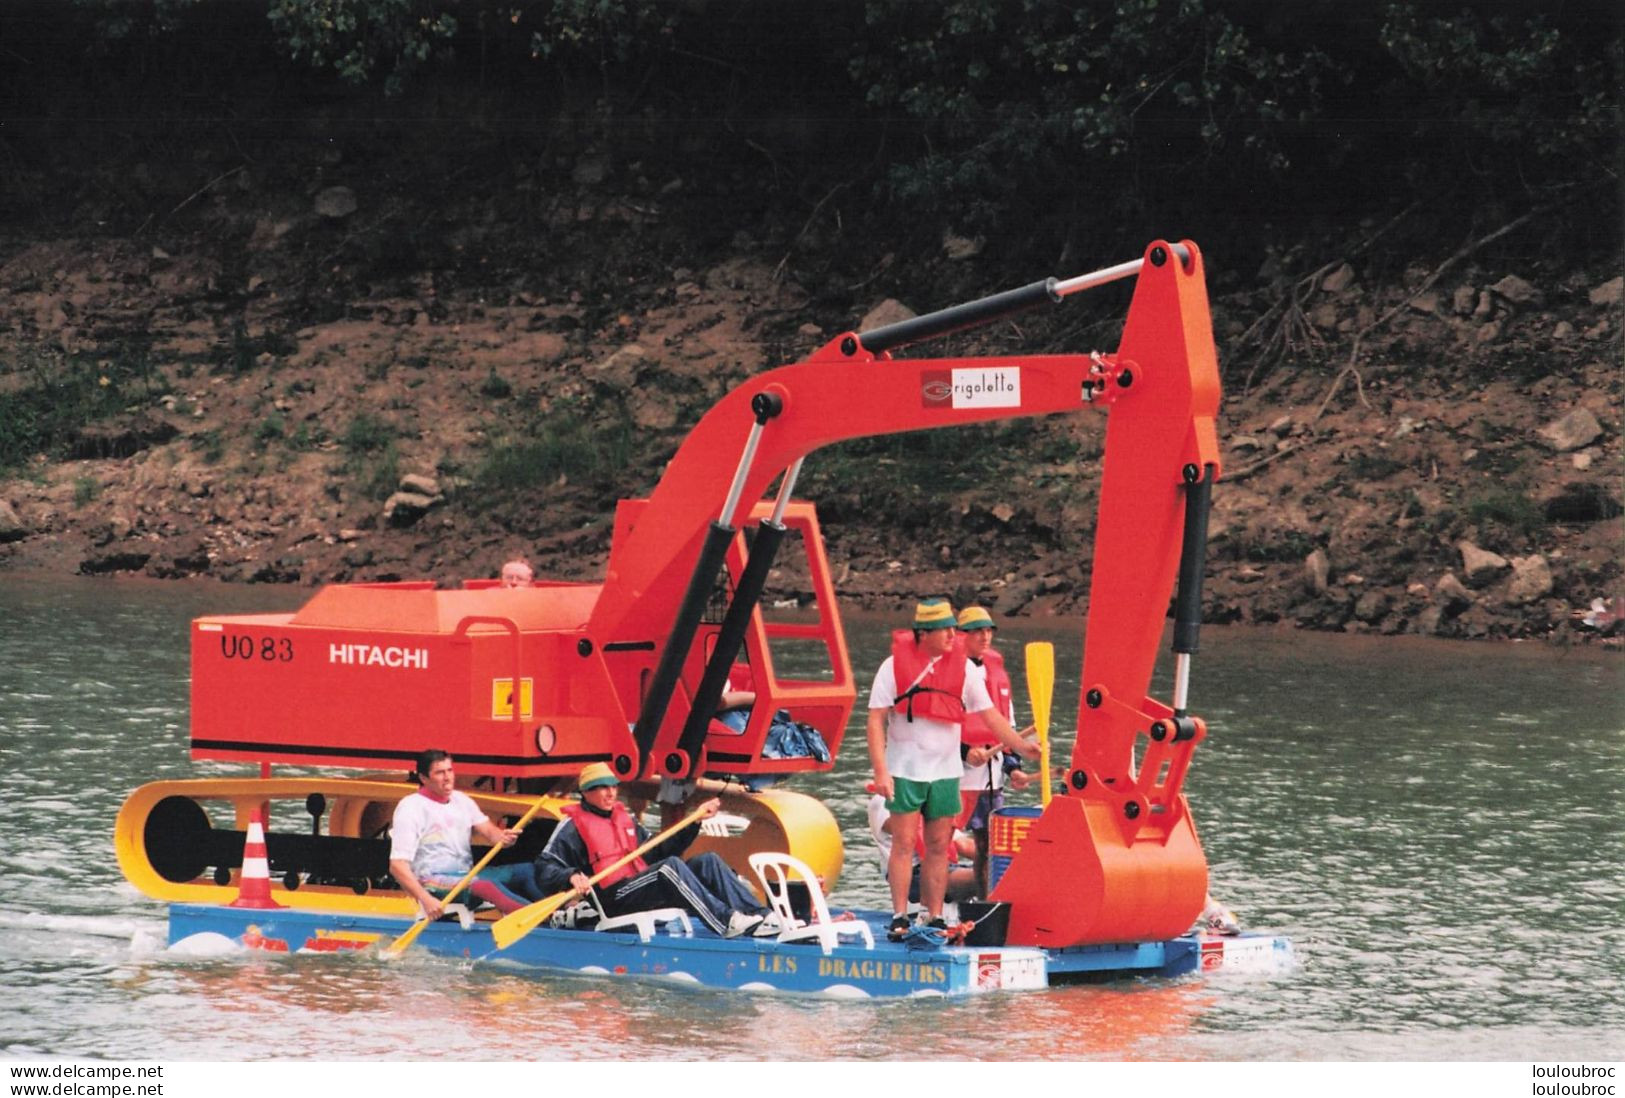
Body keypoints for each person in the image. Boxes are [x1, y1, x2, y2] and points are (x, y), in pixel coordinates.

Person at [867, 598, 1039, 940]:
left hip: (946, 773)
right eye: (945, 629)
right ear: (924, 633)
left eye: (952, 628)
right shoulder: (892, 666)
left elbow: (991, 716)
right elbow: (875, 719)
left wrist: (1019, 748)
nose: (952, 635)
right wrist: (881, 771)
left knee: (938, 845)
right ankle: (900, 915)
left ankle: (933, 917)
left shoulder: (965, 669)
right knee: (903, 844)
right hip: (905, 770)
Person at [534, 763, 773, 938]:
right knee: (669, 867)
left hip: (639, 886)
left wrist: (694, 823)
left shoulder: (624, 818)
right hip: (612, 899)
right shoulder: (572, 826)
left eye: (613, 787)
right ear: (586, 792)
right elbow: (544, 868)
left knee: (707, 861)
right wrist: (571, 875)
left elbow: (656, 852)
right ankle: (726, 921)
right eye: (601, 788)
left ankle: (761, 915)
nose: (610, 793)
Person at [388, 748, 537, 918]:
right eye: (439, 773)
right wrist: (426, 899)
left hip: (464, 875)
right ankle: (544, 920)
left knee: (527, 870)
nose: (448, 778)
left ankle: (559, 916)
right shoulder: (410, 808)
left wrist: (503, 837)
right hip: (431, 882)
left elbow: (489, 830)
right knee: (486, 885)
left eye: (450, 770)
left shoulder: (462, 800)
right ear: (423, 778)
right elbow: (397, 866)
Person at [954, 605, 1034, 898]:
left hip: (990, 778)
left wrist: (1013, 768)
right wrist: (964, 751)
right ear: (961, 635)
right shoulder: (949, 673)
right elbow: (935, 728)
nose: (984, 637)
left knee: (988, 845)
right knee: (941, 839)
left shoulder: (996, 673)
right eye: (977, 632)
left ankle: (986, 901)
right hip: (958, 776)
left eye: (988, 631)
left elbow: (1008, 728)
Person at [866, 792, 977, 907]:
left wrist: (994, 857)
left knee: (988, 872)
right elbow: (909, 832)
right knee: (982, 878)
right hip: (912, 875)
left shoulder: (929, 798)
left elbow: (965, 845)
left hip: (942, 865)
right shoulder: (883, 800)